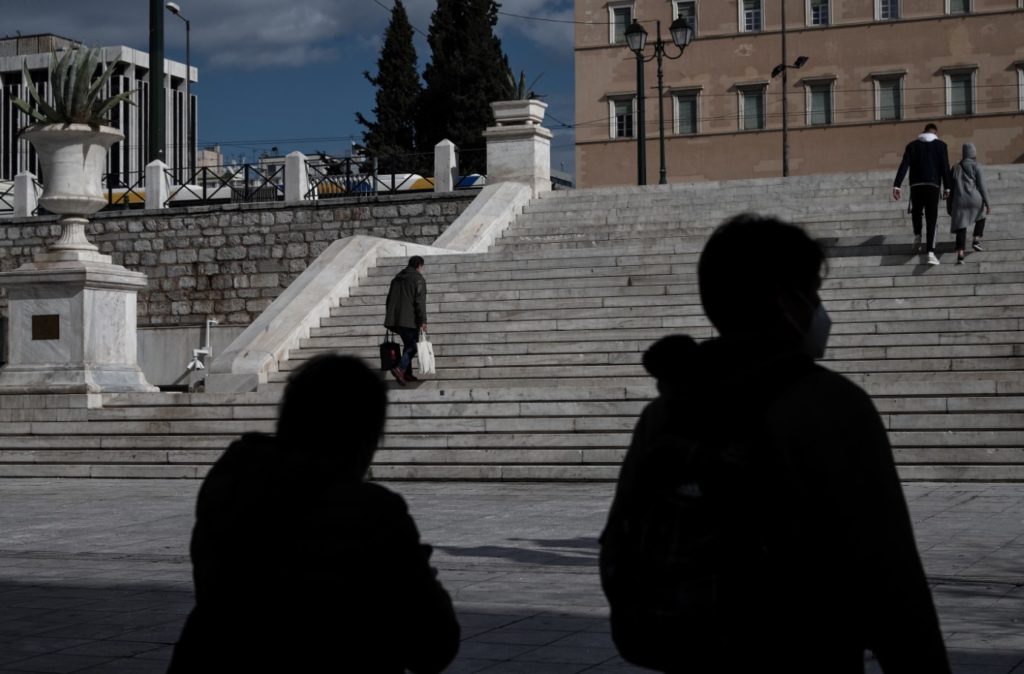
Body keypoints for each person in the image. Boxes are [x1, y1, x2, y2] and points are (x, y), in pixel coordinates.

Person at [600, 214, 950, 673]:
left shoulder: (667, 409)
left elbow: (619, 546)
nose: (819, 310)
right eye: (814, 293)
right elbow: (889, 573)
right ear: (788, 300)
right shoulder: (829, 405)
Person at [167, 354, 460, 673]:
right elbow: (433, 644)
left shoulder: (231, 482)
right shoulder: (369, 515)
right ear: (362, 438)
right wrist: (413, 565)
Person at [893, 123, 953, 266]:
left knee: (917, 212)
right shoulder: (941, 146)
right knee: (931, 218)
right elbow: (945, 166)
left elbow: (904, 165)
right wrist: (948, 187)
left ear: (923, 131)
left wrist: (897, 185)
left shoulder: (912, 146)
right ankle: (930, 252)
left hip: (916, 185)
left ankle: (917, 236)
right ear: (935, 132)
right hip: (933, 185)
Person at [384, 255, 428, 385]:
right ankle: (400, 368)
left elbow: (388, 299)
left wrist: (391, 317)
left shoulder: (396, 279)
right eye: (422, 267)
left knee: (408, 345)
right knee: (413, 347)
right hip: (410, 320)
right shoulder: (418, 279)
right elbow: (419, 302)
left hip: (397, 320)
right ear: (419, 265)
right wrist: (423, 321)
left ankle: (407, 374)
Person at [949, 142, 991, 264]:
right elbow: (982, 186)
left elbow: (950, 189)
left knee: (961, 226)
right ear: (973, 153)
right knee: (981, 216)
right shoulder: (977, 166)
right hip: (975, 198)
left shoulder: (955, 167)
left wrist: (949, 205)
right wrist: (988, 203)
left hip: (960, 200)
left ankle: (960, 254)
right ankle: (976, 239)